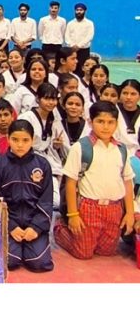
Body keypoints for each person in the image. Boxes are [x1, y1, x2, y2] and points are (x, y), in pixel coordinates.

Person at [54, 101, 136, 260]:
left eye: (110, 122)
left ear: (116, 124)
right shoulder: (81, 147)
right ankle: (61, 228)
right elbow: (71, 183)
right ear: (91, 122)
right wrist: (73, 215)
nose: (106, 127)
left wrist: (130, 213)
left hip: (114, 209)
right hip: (89, 207)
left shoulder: (121, 149)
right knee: (83, 253)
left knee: (107, 251)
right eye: (100, 121)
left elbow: (127, 181)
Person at [0, 119, 54, 272]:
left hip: (33, 222)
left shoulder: (42, 165)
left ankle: (35, 241)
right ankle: (15, 244)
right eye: (15, 139)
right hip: (9, 222)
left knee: (38, 263)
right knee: (10, 262)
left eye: (25, 140)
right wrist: (11, 226)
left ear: (32, 140)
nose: (20, 145)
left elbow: (46, 200)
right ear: (8, 139)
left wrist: (35, 227)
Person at [64, 3, 95, 77]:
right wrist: (72, 45)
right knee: (72, 69)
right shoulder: (70, 23)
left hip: (84, 50)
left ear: (84, 11)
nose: (79, 12)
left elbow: (89, 36)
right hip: (72, 50)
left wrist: (79, 45)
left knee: (83, 70)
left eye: (81, 10)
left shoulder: (89, 23)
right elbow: (67, 36)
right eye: (77, 10)